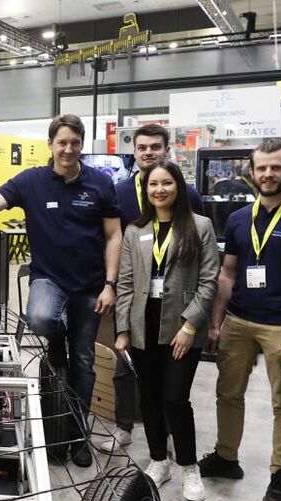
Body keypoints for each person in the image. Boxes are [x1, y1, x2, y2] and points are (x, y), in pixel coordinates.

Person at [0, 114, 122, 468]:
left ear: (82, 145)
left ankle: (78, 435)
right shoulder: (31, 181)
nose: (68, 149)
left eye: (75, 143)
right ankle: (57, 342)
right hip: (49, 278)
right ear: (51, 145)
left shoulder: (99, 184)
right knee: (41, 318)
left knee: (84, 361)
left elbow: (113, 236)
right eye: (61, 142)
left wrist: (111, 284)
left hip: (91, 285)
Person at [199, 139, 281, 501]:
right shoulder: (240, 219)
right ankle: (226, 457)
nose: (268, 174)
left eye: (276, 167)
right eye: (261, 168)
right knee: (227, 392)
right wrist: (215, 322)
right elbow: (227, 274)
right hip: (238, 321)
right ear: (252, 172)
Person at [114, 161, 219, 501]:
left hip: (181, 328)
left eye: (167, 183)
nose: (159, 189)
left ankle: (189, 467)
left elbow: (209, 281)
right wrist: (123, 329)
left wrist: (191, 326)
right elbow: (127, 284)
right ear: (146, 191)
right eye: (153, 184)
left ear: (179, 187)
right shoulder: (135, 230)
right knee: (149, 399)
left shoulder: (199, 226)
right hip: (144, 327)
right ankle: (159, 461)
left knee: (175, 399)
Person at [102, 123, 205, 454]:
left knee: (170, 381)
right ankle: (123, 428)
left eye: (155, 147)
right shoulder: (117, 191)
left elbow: (201, 253)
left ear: (166, 150)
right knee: (126, 369)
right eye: (142, 147)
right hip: (132, 294)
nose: (148, 152)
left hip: (176, 301)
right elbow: (110, 239)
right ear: (134, 152)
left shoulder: (188, 195)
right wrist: (112, 284)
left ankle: (168, 435)